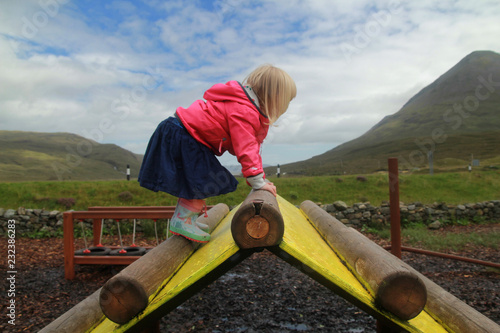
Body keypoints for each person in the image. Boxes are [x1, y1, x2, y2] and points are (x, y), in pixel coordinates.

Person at [138, 64, 296, 243]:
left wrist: (260, 178)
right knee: (204, 179)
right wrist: (258, 181)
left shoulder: (242, 106)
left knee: (198, 180)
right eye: (286, 101)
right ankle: (182, 221)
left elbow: (249, 146)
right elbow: (246, 148)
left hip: (182, 132)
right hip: (185, 135)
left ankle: (187, 219)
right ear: (274, 97)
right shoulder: (245, 111)